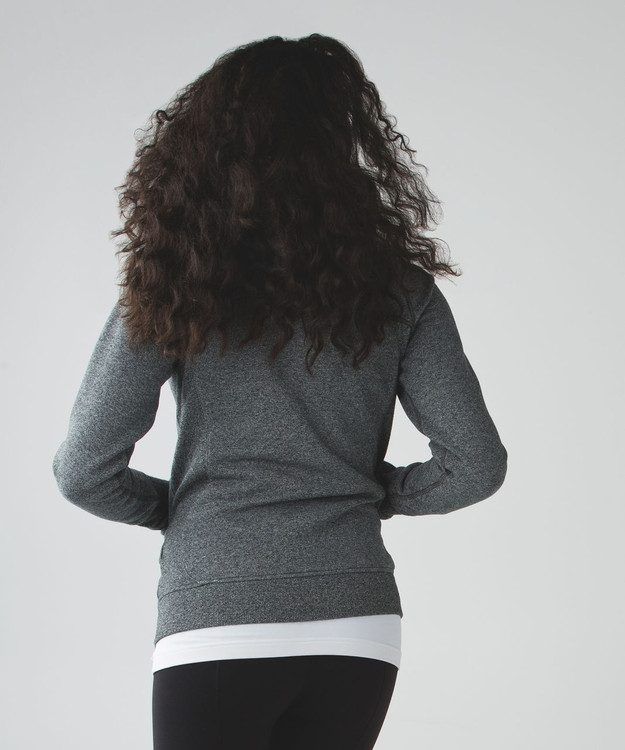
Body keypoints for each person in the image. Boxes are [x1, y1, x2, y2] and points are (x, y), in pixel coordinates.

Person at [52, 33, 508, 750]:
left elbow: (83, 470)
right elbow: (475, 464)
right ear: (344, 144)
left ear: (208, 146)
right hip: (357, 621)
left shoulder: (174, 281)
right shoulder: (399, 291)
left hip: (215, 614)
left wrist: (184, 509)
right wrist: (373, 492)